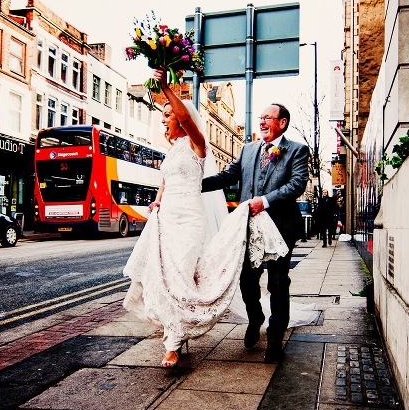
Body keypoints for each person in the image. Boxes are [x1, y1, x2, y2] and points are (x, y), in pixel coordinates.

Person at [123, 68, 288, 368]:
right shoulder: (171, 151)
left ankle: (174, 344)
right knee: (164, 278)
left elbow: (186, 118)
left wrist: (165, 86)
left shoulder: (197, 142)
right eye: (163, 115)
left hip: (189, 221)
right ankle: (174, 336)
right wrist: (158, 201)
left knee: (183, 277)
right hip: (167, 219)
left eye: (167, 114)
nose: (164, 119)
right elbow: (166, 180)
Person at [202, 102, 308, 362]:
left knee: (278, 283)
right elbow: (228, 176)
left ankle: (274, 338)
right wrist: (194, 184)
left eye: (267, 118)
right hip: (247, 227)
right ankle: (255, 318)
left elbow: (297, 184)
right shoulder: (248, 149)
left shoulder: (297, 150)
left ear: (282, 122)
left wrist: (266, 201)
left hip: (280, 227)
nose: (261, 122)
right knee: (247, 282)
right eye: (260, 118)